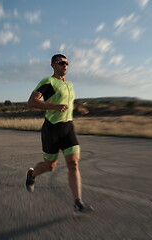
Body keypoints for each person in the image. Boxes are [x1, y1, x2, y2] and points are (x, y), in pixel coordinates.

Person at [25, 54, 93, 214]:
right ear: (53, 65)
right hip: (52, 129)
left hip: (68, 128)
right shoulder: (48, 82)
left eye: (67, 63)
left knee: (73, 163)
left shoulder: (69, 84)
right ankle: (32, 174)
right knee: (50, 166)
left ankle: (78, 203)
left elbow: (67, 104)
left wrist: (77, 108)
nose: (65, 65)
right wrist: (54, 107)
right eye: (61, 63)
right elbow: (32, 102)